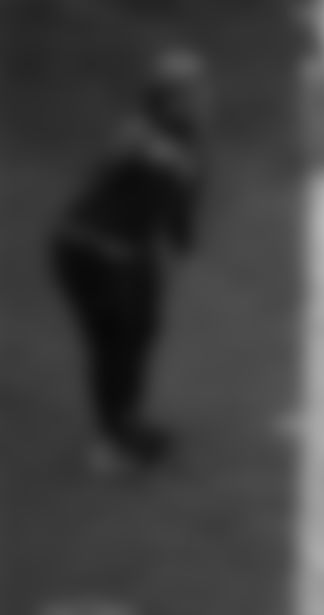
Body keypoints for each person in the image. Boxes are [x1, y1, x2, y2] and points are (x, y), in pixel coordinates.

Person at [51, 48, 209, 472]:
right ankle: (108, 444)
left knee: (144, 327)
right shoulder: (141, 135)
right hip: (89, 252)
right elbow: (121, 161)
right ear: (169, 96)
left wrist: (183, 231)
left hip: (129, 251)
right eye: (191, 89)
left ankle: (126, 425)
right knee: (113, 344)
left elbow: (180, 221)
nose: (201, 95)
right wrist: (164, 164)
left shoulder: (181, 141)